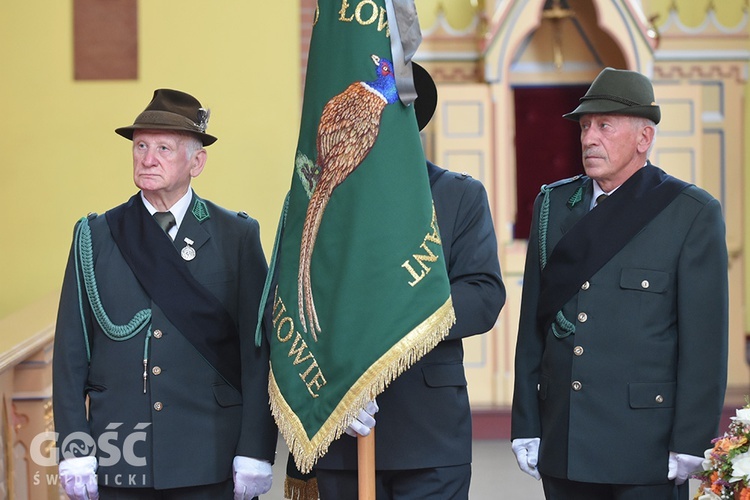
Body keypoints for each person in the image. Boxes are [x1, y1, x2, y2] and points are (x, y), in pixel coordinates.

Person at [510, 67, 728, 500]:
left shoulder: (691, 213)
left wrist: (691, 438)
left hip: (643, 445)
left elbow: (704, 342)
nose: (589, 138)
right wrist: (526, 423)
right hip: (565, 435)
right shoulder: (553, 205)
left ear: (644, 139)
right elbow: (532, 324)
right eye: (586, 126)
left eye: (604, 126)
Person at [53, 89, 277, 499]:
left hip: (208, 453)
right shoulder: (95, 236)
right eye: (140, 146)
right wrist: (74, 448)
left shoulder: (236, 236)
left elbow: (257, 352)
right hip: (120, 453)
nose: (147, 158)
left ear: (197, 162)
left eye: (163, 148)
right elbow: (70, 354)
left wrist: (255, 450)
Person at [307, 63, 506, 499]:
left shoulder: (458, 195)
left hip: (428, 428)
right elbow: (291, 294)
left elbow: (483, 294)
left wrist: (398, 322)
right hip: (341, 416)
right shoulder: (320, 198)